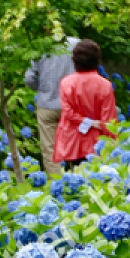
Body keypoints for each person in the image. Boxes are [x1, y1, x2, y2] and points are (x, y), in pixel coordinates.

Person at [53, 39, 117, 169]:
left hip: (72, 140)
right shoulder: (104, 85)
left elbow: (68, 112)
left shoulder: (66, 83)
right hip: (96, 141)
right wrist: (113, 144)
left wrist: (85, 121)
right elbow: (109, 120)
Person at [24, 38, 77, 177]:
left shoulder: (39, 48)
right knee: (75, 144)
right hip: (72, 104)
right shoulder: (76, 44)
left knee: (50, 148)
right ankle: (78, 181)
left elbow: (29, 78)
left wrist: (42, 89)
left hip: (47, 104)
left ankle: (56, 184)